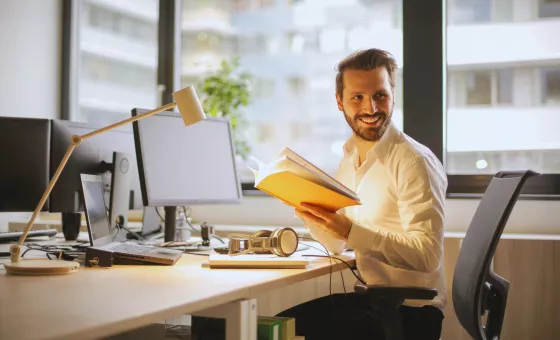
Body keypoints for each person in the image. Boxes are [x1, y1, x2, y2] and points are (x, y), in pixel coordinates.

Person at [277, 48, 448, 340]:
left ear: (392, 94)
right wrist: (309, 210)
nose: (370, 108)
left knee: (277, 329)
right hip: (376, 303)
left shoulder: (413, 161)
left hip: (410, 313)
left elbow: (427, 255)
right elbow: (336, 245)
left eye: (380, 95)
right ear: (339, 102)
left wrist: (352, 231)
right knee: (275, 325)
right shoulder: (349, 157)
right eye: (357, 97)